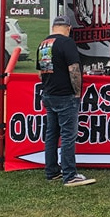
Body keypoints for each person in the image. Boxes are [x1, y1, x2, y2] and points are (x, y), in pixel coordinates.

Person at [37, 15, 96, 187]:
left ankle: (52, 171)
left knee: (51, 134)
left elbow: (40, 73)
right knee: (68, 136)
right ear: (68, 28)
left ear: (54, 26)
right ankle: (69, 175)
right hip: (65, 95)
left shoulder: (43, 44)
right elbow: (74, 69)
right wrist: (77, 93)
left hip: (49, 94)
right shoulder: (67, 43)